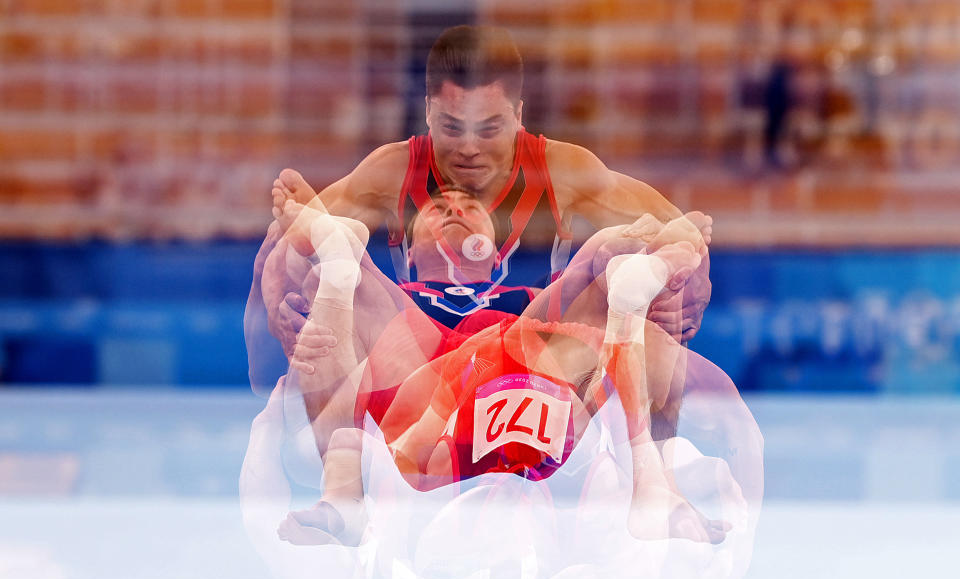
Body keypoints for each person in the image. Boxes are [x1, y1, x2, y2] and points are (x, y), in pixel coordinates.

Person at [247, 25, 714, 395]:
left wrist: (683, 305)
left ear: (519, 114)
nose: (469, 148)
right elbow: (285, 247)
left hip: (536, 370)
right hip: (419, 373)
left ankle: (657, 474)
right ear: (428, 112)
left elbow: (680, 233)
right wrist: (282, 311)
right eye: (451, 127)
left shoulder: (563, 170)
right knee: (315, 253)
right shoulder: (392, 171)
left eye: (489, 129)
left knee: (627, 270)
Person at [271, 184, 727, 548]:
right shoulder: (394, 297)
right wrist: (294, 305)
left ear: (493, 253)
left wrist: (668, 265)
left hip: (518, 371)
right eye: (436, 207)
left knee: (605, 260)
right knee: (334, 271)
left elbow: (608, 292)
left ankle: (656, 484)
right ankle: (342, 495)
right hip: (422, 379)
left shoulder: (529, 299)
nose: (453, 208)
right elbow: (294, 288)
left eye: (469, 205)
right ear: (410, 255)